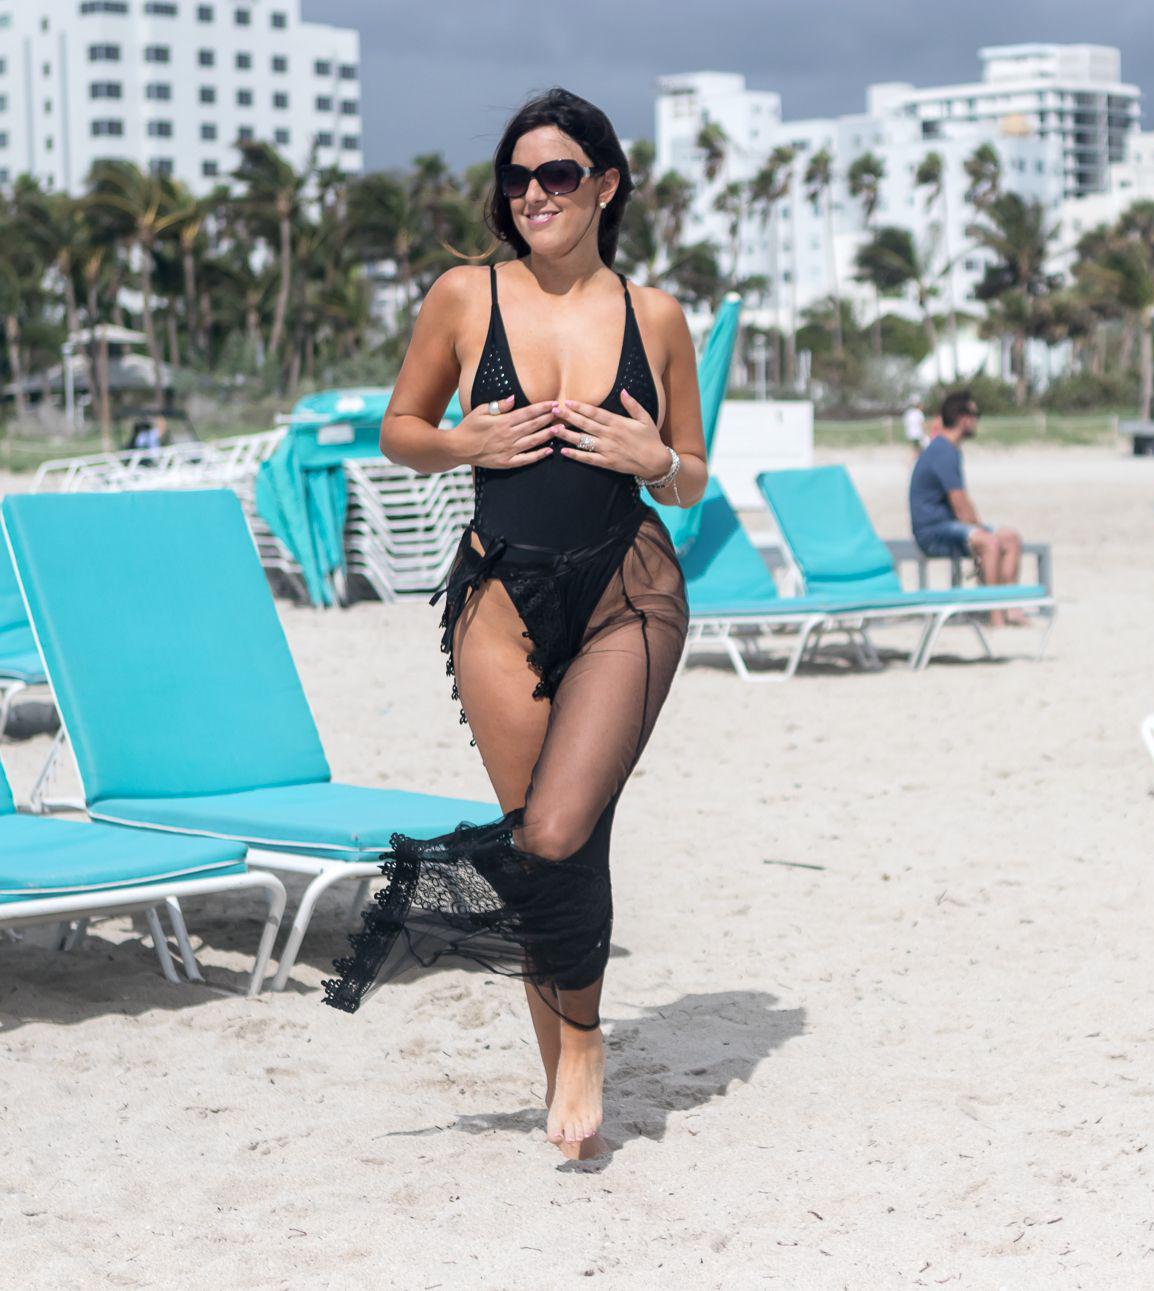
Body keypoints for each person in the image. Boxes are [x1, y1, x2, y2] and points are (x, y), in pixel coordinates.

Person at [320, 88, 706, 1162]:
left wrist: (656, 461)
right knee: (542, 839)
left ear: (606, 185)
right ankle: (566, 1066)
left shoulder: (657, 317)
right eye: (518, 177)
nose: (534, 194)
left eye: (558, 174)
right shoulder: (463, 297)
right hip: (498, 596)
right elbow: (399, 429)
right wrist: (466, 444)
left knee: (559, 827)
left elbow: (691, 475)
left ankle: (576, 1036)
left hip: (628, 590)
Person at [908, 391, 1026, 623]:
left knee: (1011, 538)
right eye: (976, 415)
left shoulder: (949, 448)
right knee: (990, 542)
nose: (977, 421)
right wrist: (980, 531)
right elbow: (960, 504)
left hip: (949, 525)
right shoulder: (943, 451)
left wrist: (979, 529)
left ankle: (1011, 608)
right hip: (933, 530)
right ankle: (995, 616)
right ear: (963, 418)